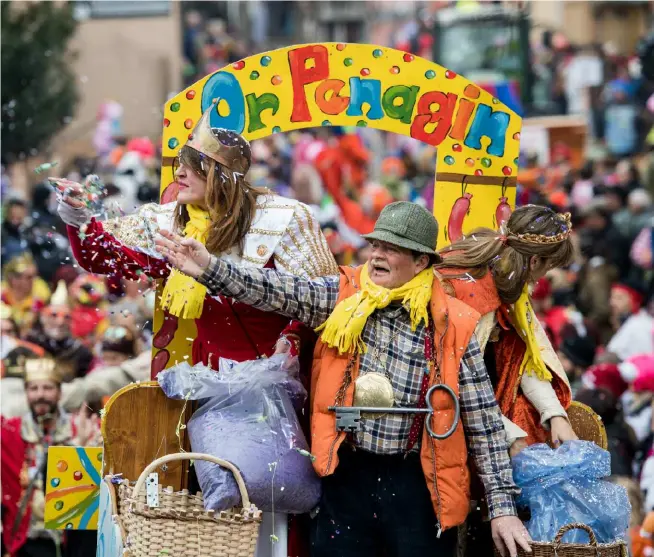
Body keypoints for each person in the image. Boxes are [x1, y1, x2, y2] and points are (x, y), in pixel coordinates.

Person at [155, 201, 532, 557]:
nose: (377, 255)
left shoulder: (454, 324)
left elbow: (483, 423)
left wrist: (503, 508)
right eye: (375, 245)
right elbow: (275, 290)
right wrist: (208, 268)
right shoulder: (342, 294)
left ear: (421, 262)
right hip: (346, 474)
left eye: (392, 249)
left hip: (419, 484)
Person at [54, 103, 338, 557]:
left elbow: (321, 301)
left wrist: (220, 274)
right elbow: (108, 257)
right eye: (181, 163)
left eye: (193, 166)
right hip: (195, 392)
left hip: (270, 401)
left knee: (269, 516)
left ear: (222, 177)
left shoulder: (284, 219)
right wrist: (81, 219)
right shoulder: (171, 220)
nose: (179, 174)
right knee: (200, 516)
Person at [434, 205, 576, 450]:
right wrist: (509, 435)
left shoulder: (508, 283)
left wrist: (555, 414)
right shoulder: (476, 299)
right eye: (547, 268)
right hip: (447, 427)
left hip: (484, 413)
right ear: (533, 262)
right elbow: (456, 382)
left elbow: (524, 359)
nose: (543, 278)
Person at [1, 358, 99, 557]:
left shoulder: (80, 429)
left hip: (68, 541)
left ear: (60, 392)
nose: (40, 395)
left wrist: (80, 450)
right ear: (26, 393)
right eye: (33, 388)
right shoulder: (9, 431)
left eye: (48, 388)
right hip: (24, 539)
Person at [24, 282, 94, 382]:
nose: (60, 322)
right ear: (42, 317)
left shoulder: (80, 351)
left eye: (67, 317)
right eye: (53, 315)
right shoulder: (28, 345)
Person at [1, 254, 50, 337]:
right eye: (29, 277)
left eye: (34, 276)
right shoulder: (2, 294)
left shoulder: (40, 296)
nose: (34, 280)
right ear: (14, 279)